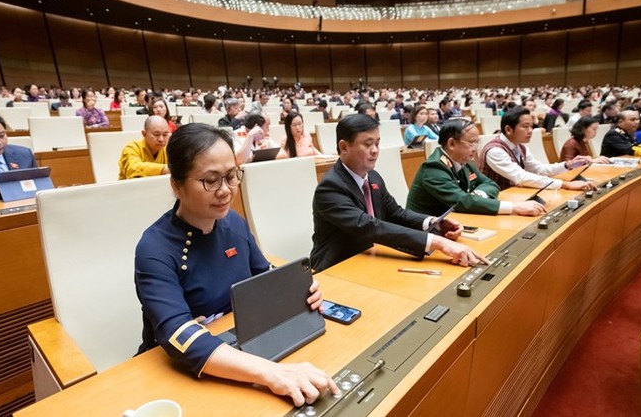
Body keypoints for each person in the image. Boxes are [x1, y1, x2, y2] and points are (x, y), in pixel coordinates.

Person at [134, 123, 339, 406]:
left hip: (244, 343)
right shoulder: (154, 248)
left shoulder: (233, 223)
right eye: (210, 180)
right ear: (176, 184)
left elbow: (263, 277)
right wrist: (273, 373)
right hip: (181, 372)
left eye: (231, 176)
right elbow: (179, 336)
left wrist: (299, 289)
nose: (225, 191)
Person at [309, 114, 489, 272]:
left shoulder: (373, 177)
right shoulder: (331, 187)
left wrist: (435, 223)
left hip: (373, 257)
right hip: (338, 266)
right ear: (344, 147)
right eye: (367, 144)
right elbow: (370, 227)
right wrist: (438, 242)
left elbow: (396, 214)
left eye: (377, 143)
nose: (375, 150)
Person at [407, 119, 546, 217]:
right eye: (471, 143)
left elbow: (490, 183)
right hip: (427, 231)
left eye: (477, 143)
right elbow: (462, 202)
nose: (475, 149)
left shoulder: (463, 161)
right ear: (451, 144)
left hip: (456, 221)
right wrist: (514, 207)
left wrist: (478, 195)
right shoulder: (434, 167)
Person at [477, 107, 597, 192]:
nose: (530, 131)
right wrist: (565, 185)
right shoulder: (495, 150)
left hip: (517, 195)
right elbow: (521, 177)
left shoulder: (520, 147)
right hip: (498, 200)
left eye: (531, 126)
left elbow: (539, 169)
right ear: (508, 129)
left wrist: (567, 165)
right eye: (525, 127)